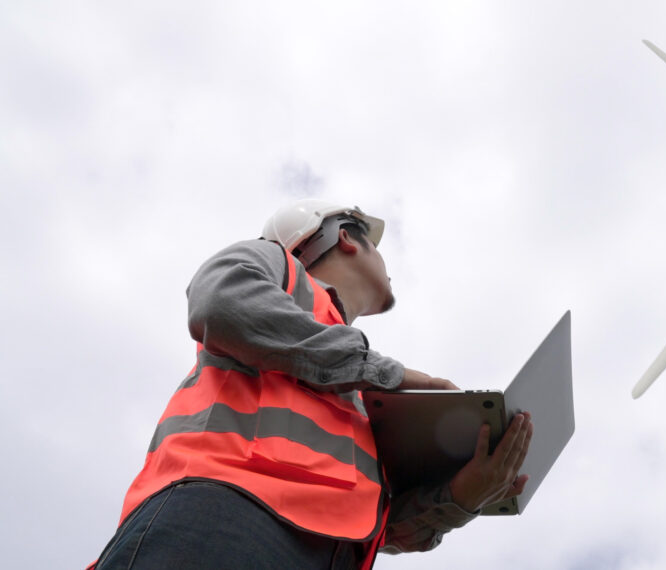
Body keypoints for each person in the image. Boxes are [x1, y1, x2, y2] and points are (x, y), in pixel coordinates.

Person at [92, 199, 533, 569]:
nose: (384, 259)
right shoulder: (276, 266)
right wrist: (388, 373)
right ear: (346, 236)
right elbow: (220, 301)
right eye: (376, 246)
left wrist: (461, 498)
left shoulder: (359, 395)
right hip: (225, 517)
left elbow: (380, 525)